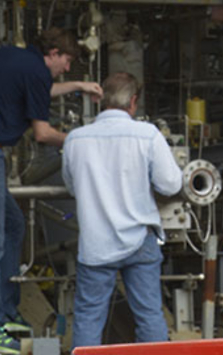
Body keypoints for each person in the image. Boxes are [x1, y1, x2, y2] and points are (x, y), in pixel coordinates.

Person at [0, 28, 103, 354]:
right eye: (67, 63)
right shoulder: (35, 71)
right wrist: (84, 139)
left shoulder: (15, 59)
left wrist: (78, 86)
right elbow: (43, 133)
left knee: (12, 225)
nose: (66, 69)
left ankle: (4, 312)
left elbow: (42, 89)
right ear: (54, 54)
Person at [62, 72, 183, 348]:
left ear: (102, 101)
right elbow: (171, 183)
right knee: (149, 313)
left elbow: (72, 187)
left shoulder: (75, 139)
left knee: (89, 318)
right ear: (133, 102)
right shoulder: (147, 134)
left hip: (95, 243)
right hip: (139, 238)